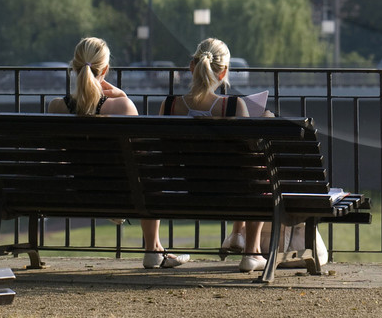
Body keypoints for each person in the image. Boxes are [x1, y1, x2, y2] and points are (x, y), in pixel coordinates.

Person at [47, 36, 189, 269]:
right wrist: (122, 96)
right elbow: (142, 158)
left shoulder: (56, 107)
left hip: (76, 189)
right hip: (122, 192)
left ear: (74, 67)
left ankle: (157, 250)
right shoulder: (122, 106)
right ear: (105, 69)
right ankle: (153, 249)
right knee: (149, 175)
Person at [159, 37, 269, 273]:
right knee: (260, 173)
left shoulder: (168, 106)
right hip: (231, 194)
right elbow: (248, 159)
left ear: (192, 67)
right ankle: (252, 253)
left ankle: (152, 248)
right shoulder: (234, 106)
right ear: (223, 73)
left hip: (183, 191)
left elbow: (163, 157)